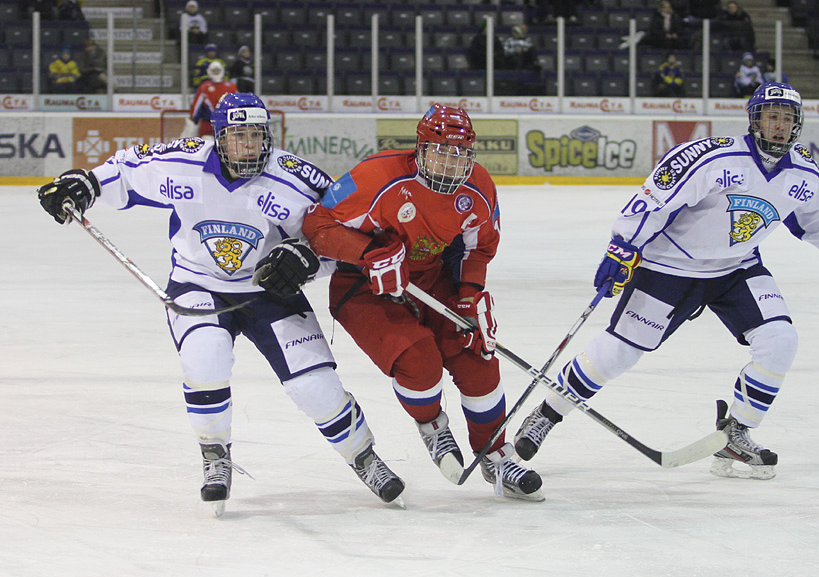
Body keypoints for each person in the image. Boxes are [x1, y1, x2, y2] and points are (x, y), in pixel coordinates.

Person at [36, 93, 406, 512]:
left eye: (256, 135)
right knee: (204, 358)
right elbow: (126, 169)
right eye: (238, 136)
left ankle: (365, 457)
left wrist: (306, 259)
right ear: (218, 137)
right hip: (199, 284)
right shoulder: (183, 162)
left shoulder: (295, 179)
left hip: (269, 290)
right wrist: (87, 183)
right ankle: (215, 456)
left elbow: (339, 236)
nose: (248, 145)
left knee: (314, 385)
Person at [513, 83, 819, 481]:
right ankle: (547, 414)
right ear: (754, 120)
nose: (779, 126)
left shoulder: (802, 170)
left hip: (736, 268)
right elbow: (654, 200)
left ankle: (737, 431)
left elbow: (815, 219)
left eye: (787, 119)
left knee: (780, 340)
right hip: (669, 266)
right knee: (619, 354)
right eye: (771, 116)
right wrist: (624, 245)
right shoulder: (712, 157)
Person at [259, 104, 544, 501]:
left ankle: (495, 454)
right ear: (421, 149)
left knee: (477, 358)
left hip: (431, 280)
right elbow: (318, 225)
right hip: (363, 288)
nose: (450, 164)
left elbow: (478, 249)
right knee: (419, 361)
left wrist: (469, 295)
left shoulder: (478, 187)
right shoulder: (378, 176)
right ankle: (433, 428)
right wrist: (368, 253)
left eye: (461, 154)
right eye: (441, 152)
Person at [190, 60, 237, 138]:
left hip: (227, 126)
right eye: (214, 71)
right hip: (208, 127)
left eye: (217, 70)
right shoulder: (204, 87)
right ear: (209, 71)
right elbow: (195, 107)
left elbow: (238, 106)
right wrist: (194, 120)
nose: (216, 72)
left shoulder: (231, 87)